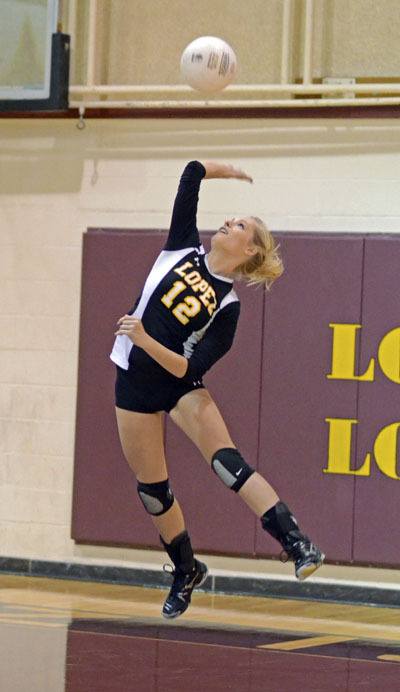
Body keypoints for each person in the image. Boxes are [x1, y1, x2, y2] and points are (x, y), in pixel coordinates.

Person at [110, 160, 324, 619]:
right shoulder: (180, 248)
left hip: (179, 383)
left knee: (228, 463)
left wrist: (145, 337)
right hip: (134, 378)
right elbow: (191, 173)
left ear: (248, 250)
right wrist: (231, 171)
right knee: (153, 491)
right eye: (230, 219)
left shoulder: (227, 307)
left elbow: (189, 364)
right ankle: (186, 570)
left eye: (239, 224)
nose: (227, 222)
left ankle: (297, 544)